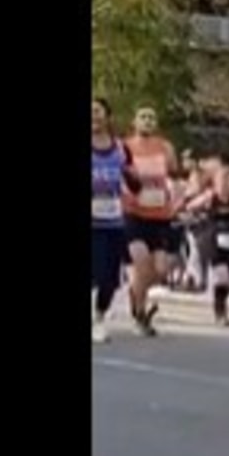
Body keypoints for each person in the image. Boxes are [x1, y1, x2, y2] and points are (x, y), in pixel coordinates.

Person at [122, 106, 181, 337]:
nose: (147, 121)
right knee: (141, 263)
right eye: (143, 117)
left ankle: (136, 293)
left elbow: (175, 178)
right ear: (134, 122)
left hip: (160, 216)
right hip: (133, 215)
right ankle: (139, 314)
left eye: (151, 117)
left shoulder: (165, 148)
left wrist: (177, 201)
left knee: (160, 270)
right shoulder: (125, 147)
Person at [90, 98, 136, 343]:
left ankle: (98, 317)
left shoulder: (120, 148)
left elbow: (133, 183)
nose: (93, 117)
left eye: (97, 112)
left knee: (109, 278)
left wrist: (132, 177)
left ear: (107, 116)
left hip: (113, 220)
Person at [185, 166, 229, 325]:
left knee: (228, 279)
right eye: (221, 182)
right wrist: (199, 212)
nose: (225, 186)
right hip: (214, 240)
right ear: (215, 183)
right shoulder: (210, 197)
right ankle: (220, 313)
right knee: (222, 275)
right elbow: (190, 207)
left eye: (227, 181)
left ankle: (222, 309)